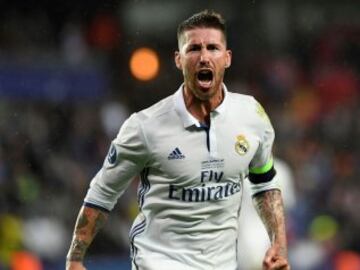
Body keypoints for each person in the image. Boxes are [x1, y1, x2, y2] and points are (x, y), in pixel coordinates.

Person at [66, 10, 290, 270]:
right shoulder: (145, 126)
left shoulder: (251, 116)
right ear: (178, 59)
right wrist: (75, 258)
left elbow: (264, 184)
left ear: (227, 58)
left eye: (213, 48)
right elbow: (102, 193)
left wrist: (278, 246)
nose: (204, 57)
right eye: (194, 48)